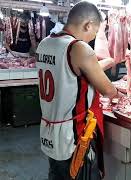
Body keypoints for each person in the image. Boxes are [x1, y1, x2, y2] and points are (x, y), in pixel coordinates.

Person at [36, 2, 122, 180]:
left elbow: (71, 73)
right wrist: (118, 92)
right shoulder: (79, 48)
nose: (93, 37)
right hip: (74, 138)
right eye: (95, 32)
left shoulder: (45, 43)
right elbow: (108, 90)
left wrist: (108, 61)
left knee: (57, 175)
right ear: (88, 25)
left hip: (50, 130)